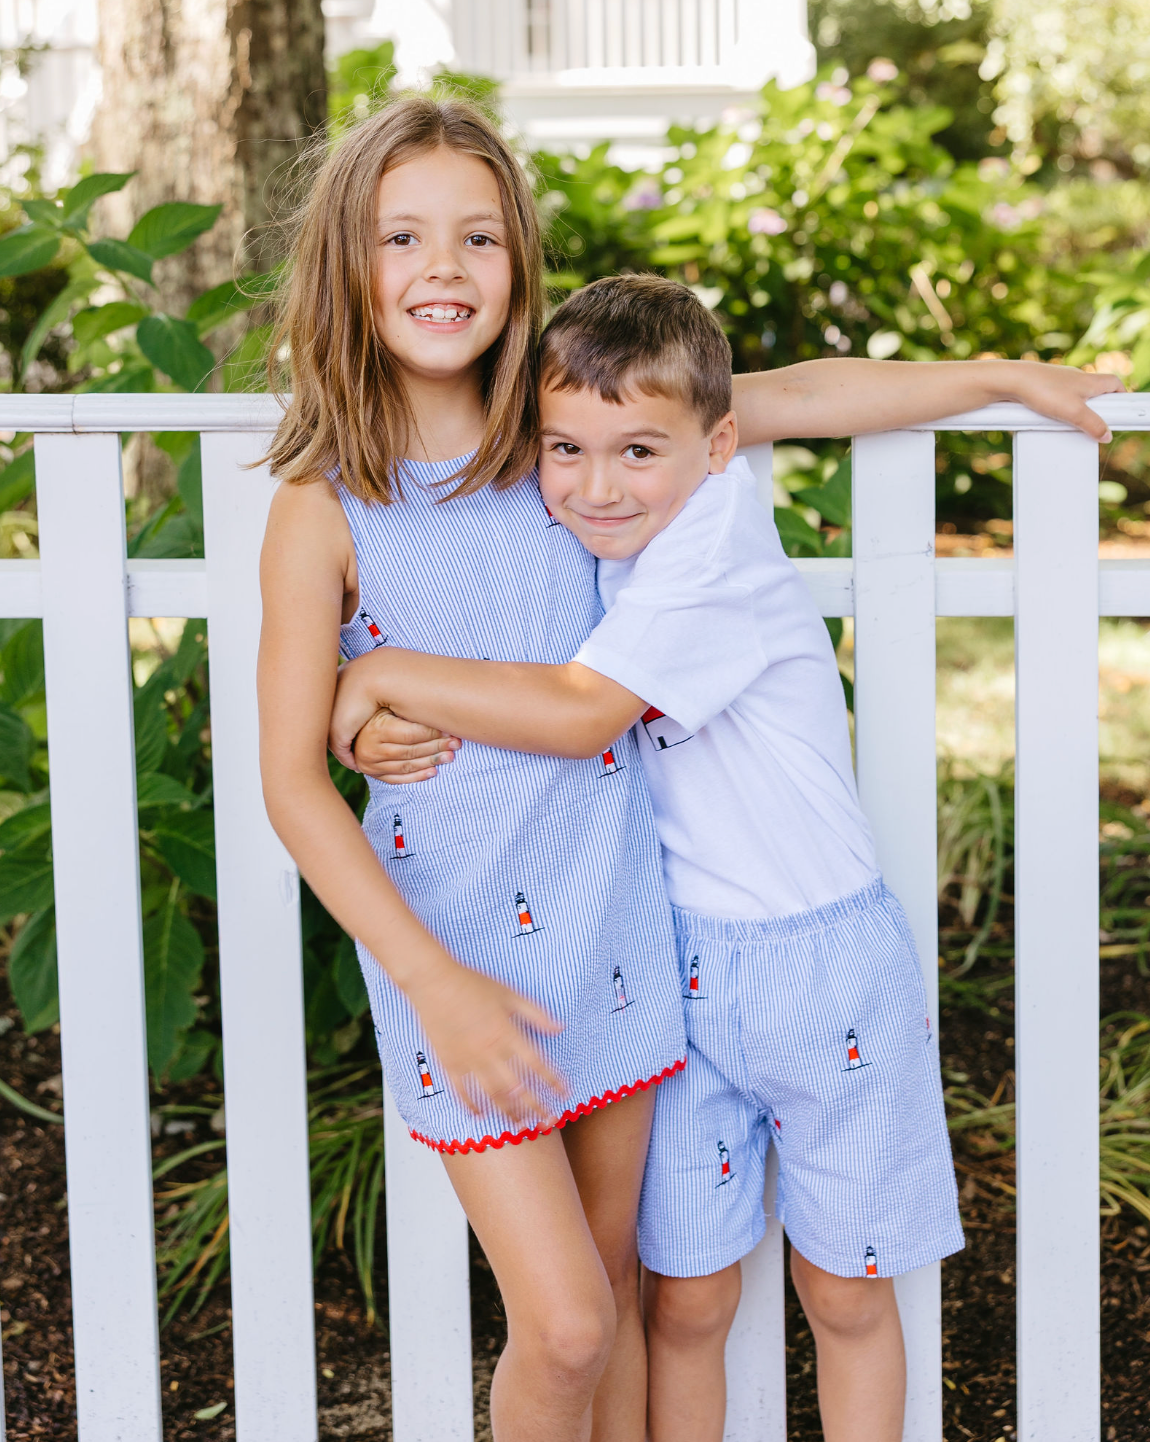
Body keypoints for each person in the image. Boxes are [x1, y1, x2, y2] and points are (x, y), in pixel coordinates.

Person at [327, 273, 1120, 1442]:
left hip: (822, 958)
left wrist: (372, 678)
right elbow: (801, 389)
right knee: (688, 1297)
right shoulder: (629, 473)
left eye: (636, 449)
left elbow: (581, 708)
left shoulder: (709, 537)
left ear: (714, 448)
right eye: (566, 449)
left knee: (844, 1289)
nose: (596, 483)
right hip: (675, 973)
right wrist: (990, 376)